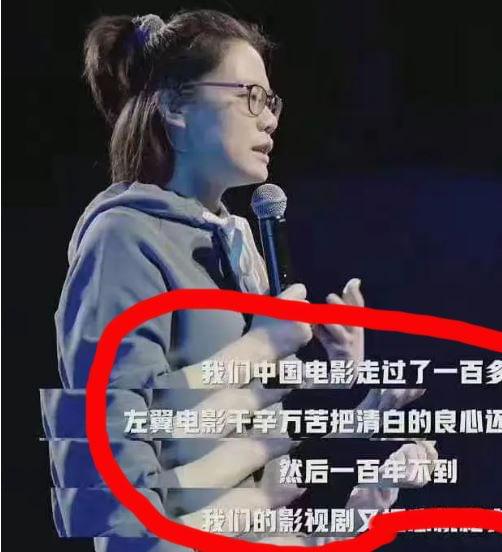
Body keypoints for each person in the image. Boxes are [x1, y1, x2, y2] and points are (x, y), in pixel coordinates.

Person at [44, 10, 436, 551]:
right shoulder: (124, 240)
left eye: (271, 102)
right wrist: (265, 345)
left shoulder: (239, 244)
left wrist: (329, 380)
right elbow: (116, 463)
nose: (269, 119)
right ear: (176, 107)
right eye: (249, 96)